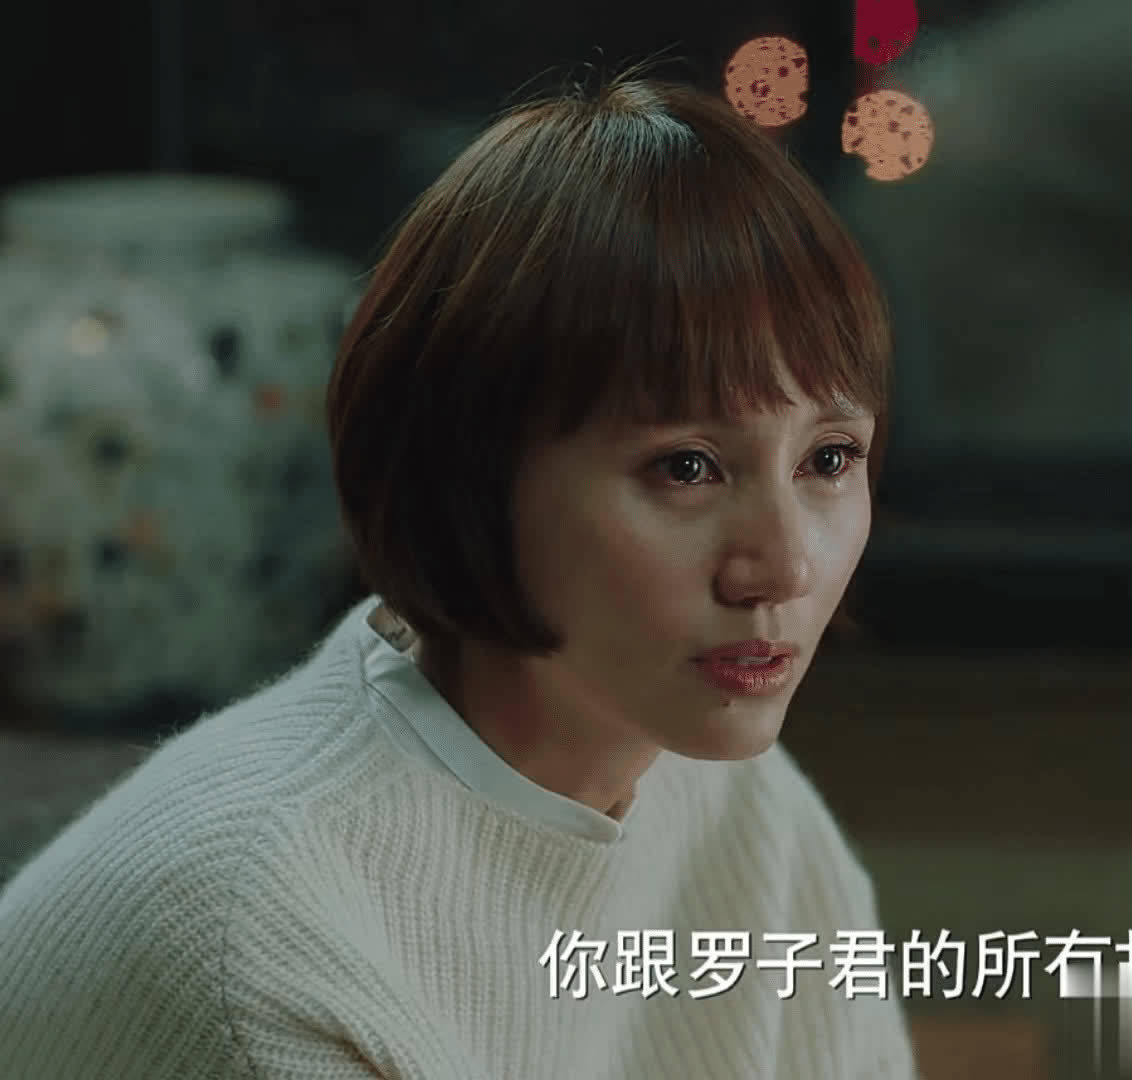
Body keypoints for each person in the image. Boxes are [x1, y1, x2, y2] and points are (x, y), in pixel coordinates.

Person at [0, 66, 919, 1079]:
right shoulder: (264, 939)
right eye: (686, 468)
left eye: (829, 459)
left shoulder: (738, 806)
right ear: (471, 472)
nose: (784, 565)